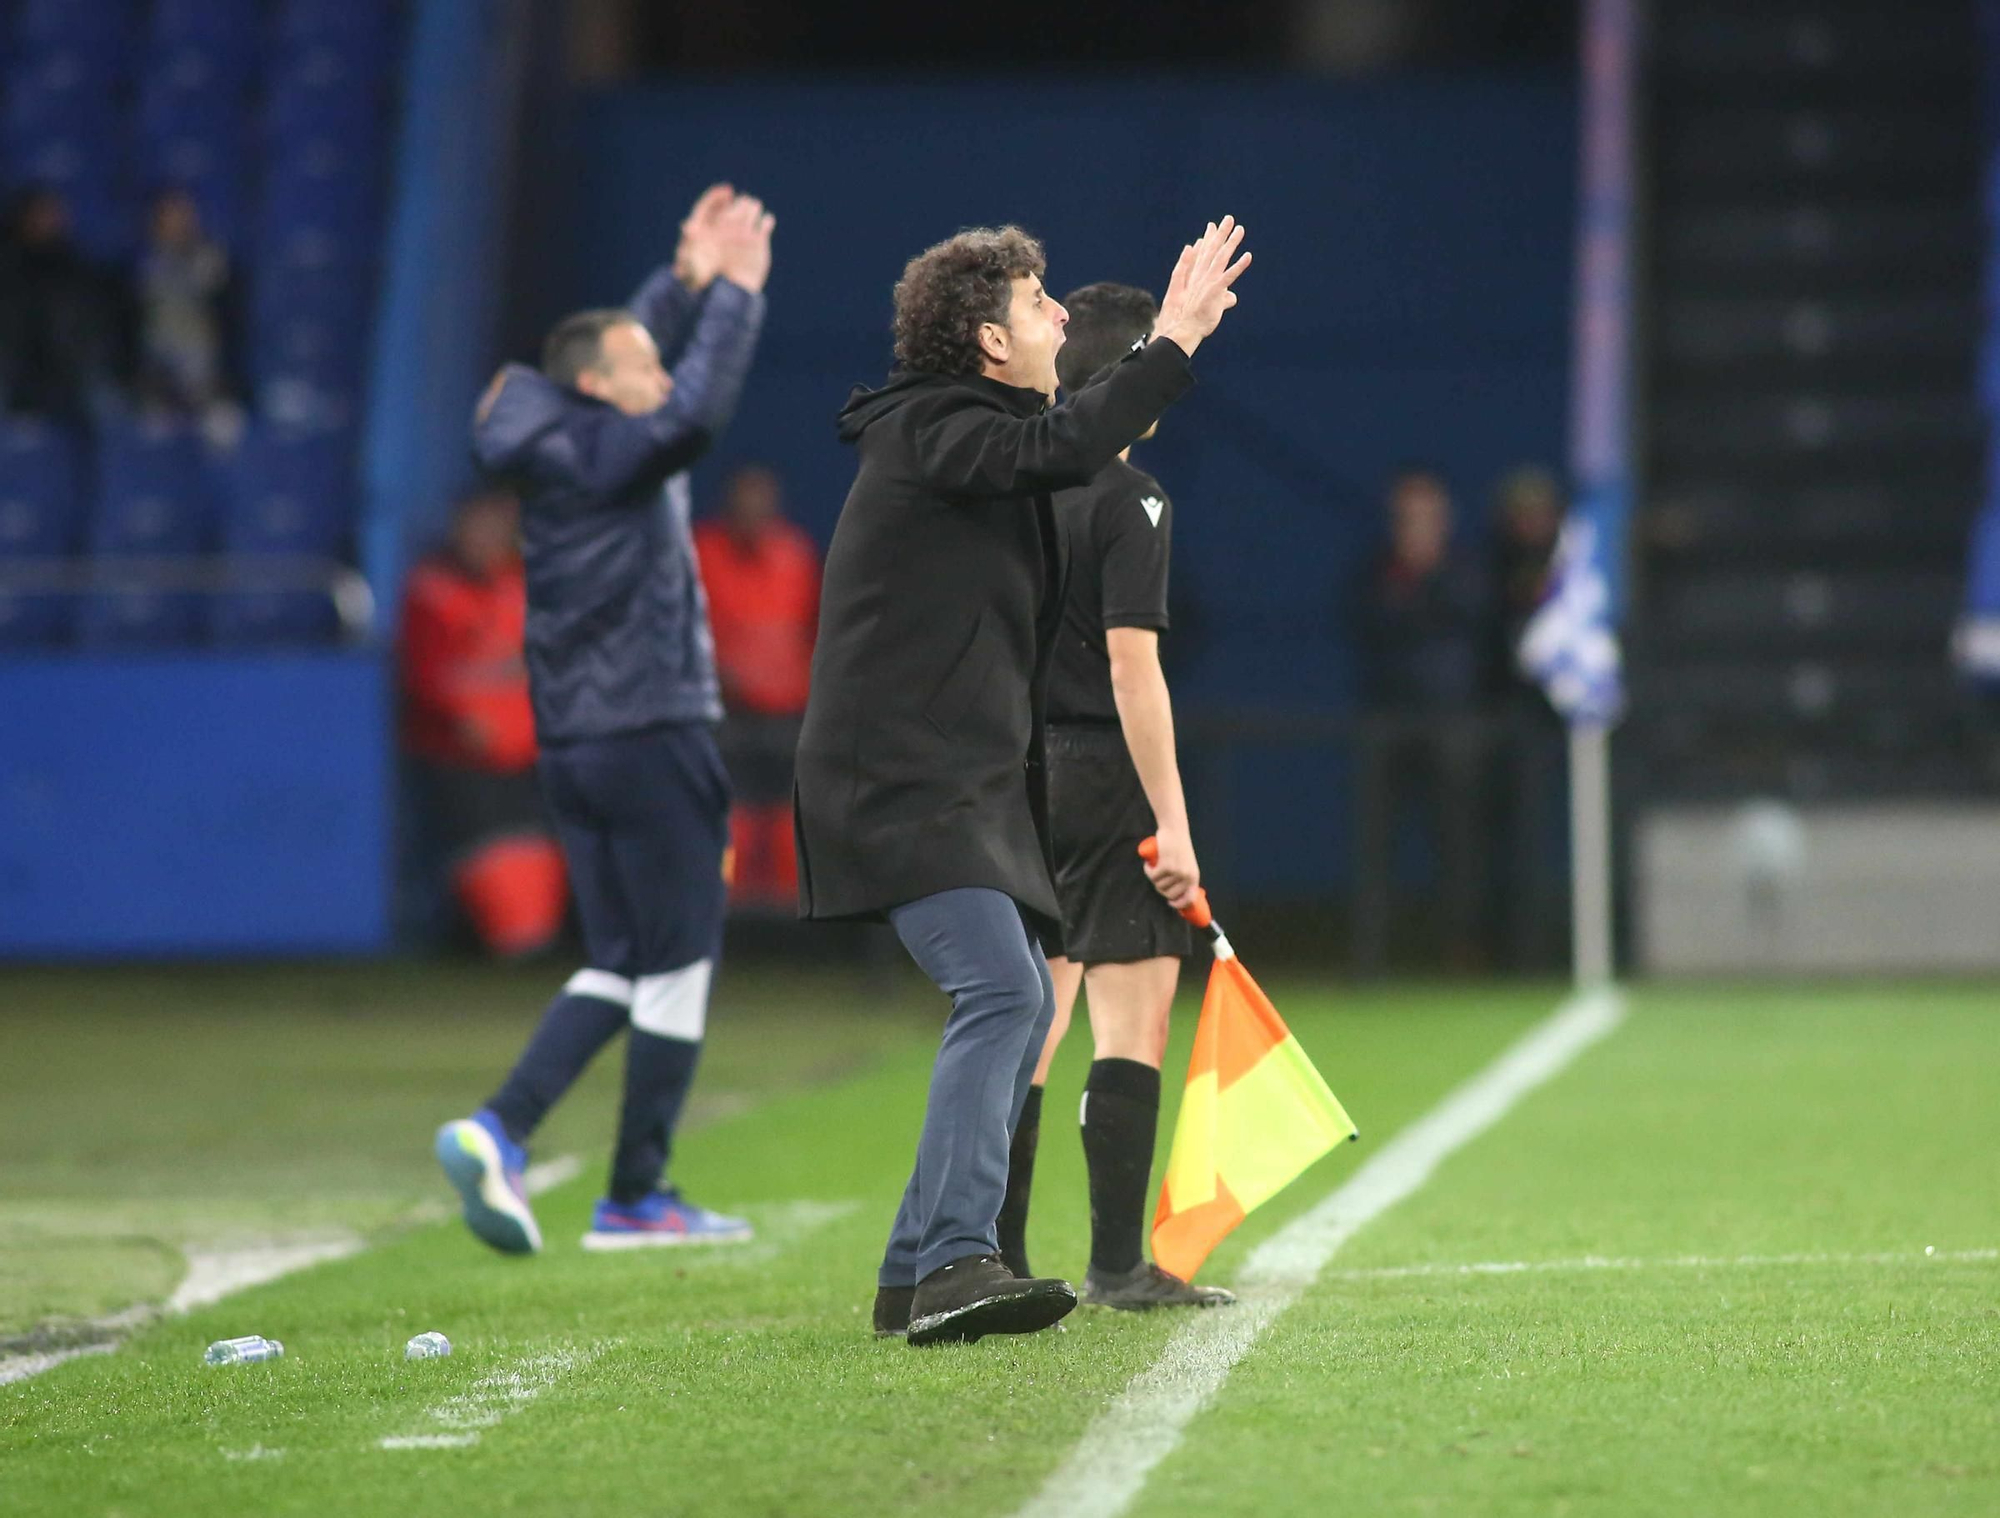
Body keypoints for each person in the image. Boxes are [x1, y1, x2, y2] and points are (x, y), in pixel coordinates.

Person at [795, 216, 1251, 1345]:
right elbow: (1062, 449)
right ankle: (958, 1262)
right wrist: (1175, 340)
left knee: (1016, 994)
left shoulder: (971, 436)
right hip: (901, 778)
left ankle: (913, 1273)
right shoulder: (935, 427)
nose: (1057, 315)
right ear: (988, 345)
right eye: (1036, 301)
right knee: (1008, 995)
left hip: (959, 778)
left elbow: (1065, 449)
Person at [433, 184, 773, 1255]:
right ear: (594, 388)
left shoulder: (561, 434)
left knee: (628, 955)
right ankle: (623, 1187)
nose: (658, 373)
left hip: (579, 742)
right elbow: (691, 414)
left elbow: (621, 360)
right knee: (674, 961)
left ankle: (519, 1136)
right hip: (652, 728)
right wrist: (736, 302)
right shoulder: (614, 448)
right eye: (641, 364)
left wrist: (679, 283)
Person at [996, 281, 1234, 1312]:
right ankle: (1114, 1267)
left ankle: (987, 1257)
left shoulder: (1007, 485)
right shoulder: (1129, 499)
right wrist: (1172, 822)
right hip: (1097, 770)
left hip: (1009, 764)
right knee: (1129, 1012)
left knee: (1023, 1017)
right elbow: (1133, 672)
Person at [399, 488, 567, 959]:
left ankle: (538, 945)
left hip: (528, 753)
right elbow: (423, 675)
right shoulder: (432, 587)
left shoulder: (527, 585)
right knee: (492, 862)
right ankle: (497, 945)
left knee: (543, 852)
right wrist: (461, 720)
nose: (487, 535)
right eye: (478, 524)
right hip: (458, 757)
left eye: (497, 525)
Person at [1350, 467, 1495, 974]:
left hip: (1452, 723)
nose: (1417, 525)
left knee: (1459, 843)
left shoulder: (1465, 569)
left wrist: (1428, 578)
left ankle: (1463, 950)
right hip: (1388, 722)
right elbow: (1367, 626)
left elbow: (1474, 620)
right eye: (1408, 516)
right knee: (1375, 843)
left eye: (1427, 515)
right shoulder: (1376, 572)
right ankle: (1371, 956)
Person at [692, 464, 820, 909]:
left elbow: (812, 631)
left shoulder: (795, 555)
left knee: (791, 824)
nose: (752, 510)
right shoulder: (700, 552)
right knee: (732, 824)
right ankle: (724, 913)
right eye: (744, 499)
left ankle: (793, 922)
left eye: (761, 499)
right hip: (725, 714)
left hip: (788, 712)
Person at [0, 187, 129, 420]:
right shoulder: (9, 267)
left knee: (106, 403)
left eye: (52, 214)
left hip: (70, 369)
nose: (46, 222)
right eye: (38, 215)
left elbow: (92, 327)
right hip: (16, 369)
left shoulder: (77, 267)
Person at [133, 188, 242, 440]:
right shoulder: (141, 265)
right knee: (151, 422)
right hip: (155, 369)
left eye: (180, 217)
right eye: (167, 217)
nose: (174, 224)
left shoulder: (209, 259)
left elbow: (228, 310)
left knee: (224, 423)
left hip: (204, 367)